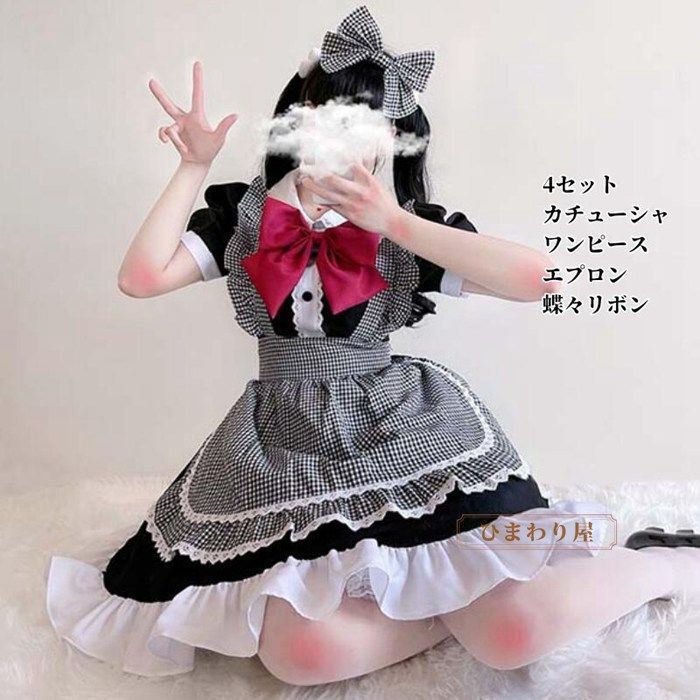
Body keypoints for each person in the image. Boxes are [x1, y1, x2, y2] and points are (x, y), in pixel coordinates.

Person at [45, 5, 700, 686]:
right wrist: (191, 166)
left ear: (391, 135)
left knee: (515, 635)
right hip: (284, 444)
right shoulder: (245, 215)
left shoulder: (405, 229)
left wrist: (393, 221)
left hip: (401, 428)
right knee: (301, 654)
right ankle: (449, 604)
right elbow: (141, 278)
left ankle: (666, 561)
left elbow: (540, 278)